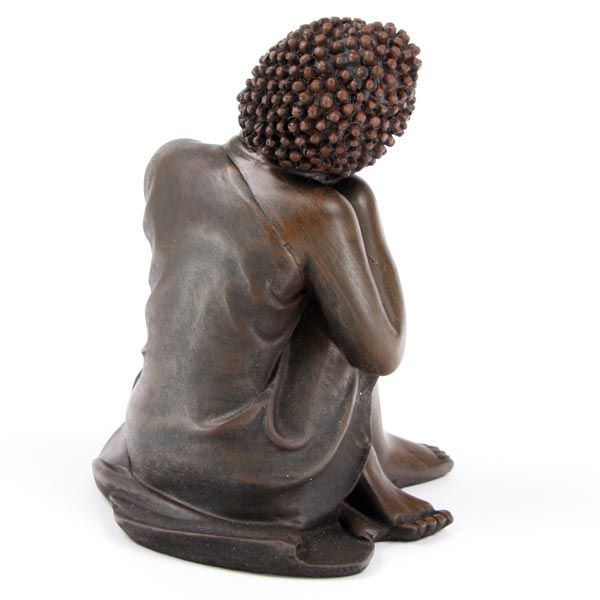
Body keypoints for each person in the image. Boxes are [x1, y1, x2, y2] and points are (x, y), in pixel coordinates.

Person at [94, 17, 453, 577]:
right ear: (367, 139)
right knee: (338, 306)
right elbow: (382, 352)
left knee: (295, 283)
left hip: (153, 439)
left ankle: (372, 449)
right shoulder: (322, 213)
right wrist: (360, 210)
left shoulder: (171, 161)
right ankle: (366, 475)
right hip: (252, 467)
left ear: (268, 83)